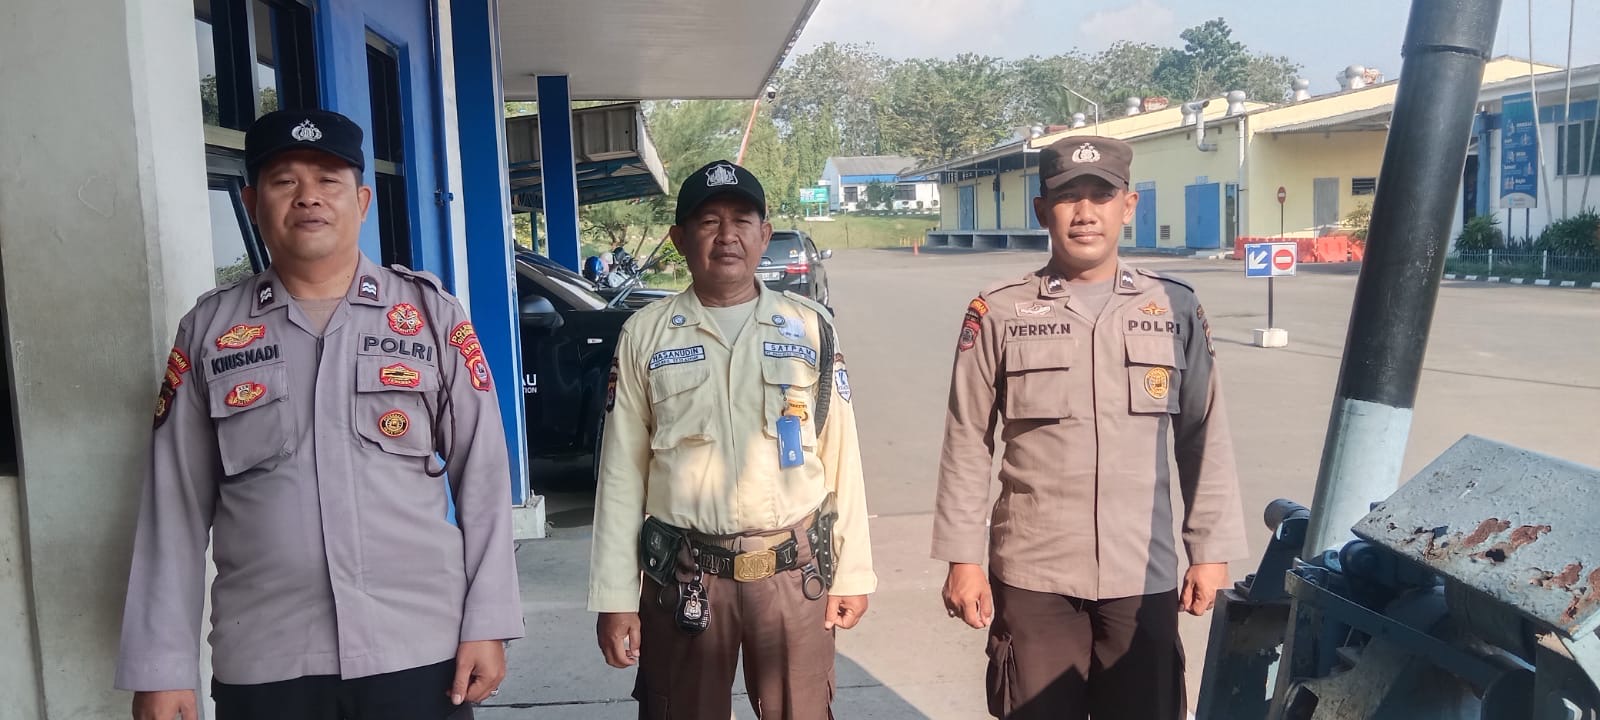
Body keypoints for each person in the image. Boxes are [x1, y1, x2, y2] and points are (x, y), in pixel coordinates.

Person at [115, 109, 524, 720]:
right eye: (284, 181)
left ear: (361, 202)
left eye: (329, 180)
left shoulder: (430, 316)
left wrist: (488, 621)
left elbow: (484, 475)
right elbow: (172, 505)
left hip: (418, 648)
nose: (308, 196)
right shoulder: (209, 331)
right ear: (252, 203)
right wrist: (162, 666)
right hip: (267, 657)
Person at [931, 136, 1247, 720]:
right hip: (1034, 575)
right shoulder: (999, 311)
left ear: (1128, 206)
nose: (1084, 212)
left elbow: (1204, 435)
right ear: (1041, 210)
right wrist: (962, 558)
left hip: (1142, 572)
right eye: (1066, 197)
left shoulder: (1173, 307)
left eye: (1100, 196)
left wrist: (1211, 551)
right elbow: (967, 439)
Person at [588, 160, 875, 719]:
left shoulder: (809, 326)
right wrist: (616, 597)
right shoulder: (645, 334)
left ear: (764, 234)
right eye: (708, 221)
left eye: (742, 220)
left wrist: (854, 571)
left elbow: (842, 456)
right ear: (679, 239)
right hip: (685, 577)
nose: (727, 236)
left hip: (794, 574)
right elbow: (621, 474)